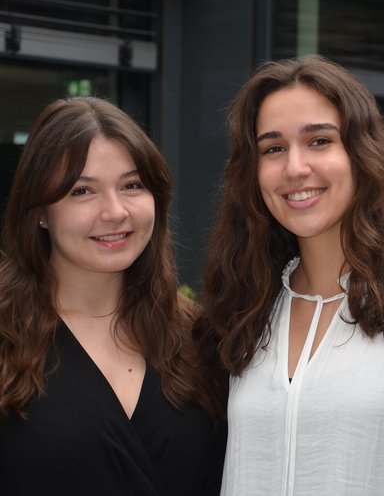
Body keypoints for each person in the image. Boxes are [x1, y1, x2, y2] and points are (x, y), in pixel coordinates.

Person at [195, 55, 384, 496]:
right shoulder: (245, 311)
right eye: (273, 148)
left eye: (319, 141)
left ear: (362, 154)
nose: (295, 168)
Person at [0, 97, 226, 496]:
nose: (115, 211)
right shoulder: (6, 334)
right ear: (38, 212)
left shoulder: (200, 338)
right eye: (82, 191)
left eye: (132, 185)